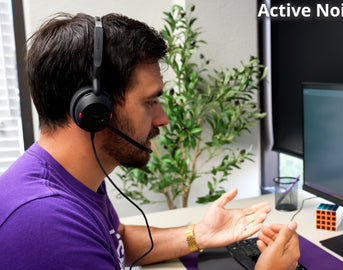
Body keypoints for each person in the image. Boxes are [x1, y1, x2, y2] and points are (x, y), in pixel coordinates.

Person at [0, 13, 300, 269]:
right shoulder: (45, 224)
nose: (163, 119)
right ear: (94, 112)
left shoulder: (68, 178)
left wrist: (200, 234)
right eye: (150, 102)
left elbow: (118, 239)